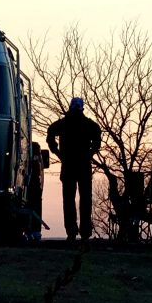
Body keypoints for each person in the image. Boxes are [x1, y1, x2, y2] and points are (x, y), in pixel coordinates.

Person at [46, 97, 101, 243]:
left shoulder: (65, 124)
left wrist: (57, 152)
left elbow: (51, 133)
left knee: (72, 200)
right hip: (79, 166)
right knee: (82, 200)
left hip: (72, 166)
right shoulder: (87, 124)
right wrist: (89, 153)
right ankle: (81, 233)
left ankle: (75, 232)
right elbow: (97, 140)